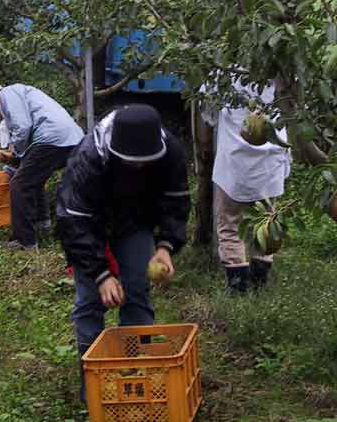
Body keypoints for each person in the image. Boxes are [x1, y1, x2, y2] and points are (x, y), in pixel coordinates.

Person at [56, 104, 190, 397]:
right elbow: (73, 222)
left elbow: (175, 200)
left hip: (135, 222)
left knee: (137, 291)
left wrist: (166, 246)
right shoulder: (89, 159)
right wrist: (102, 274)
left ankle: (133, 376)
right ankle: (93, 385)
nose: (139, 167)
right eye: (133, 163)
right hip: (90, 224)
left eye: (145, 163)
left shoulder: (170, 153)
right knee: (91, 301)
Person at [201, 78, 291, 293]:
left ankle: (238, 287)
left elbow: (208, 112)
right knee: (266, 223)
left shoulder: (223, 73)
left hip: (234, 165)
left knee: (230, 226)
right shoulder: (283, 73)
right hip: (271, 164)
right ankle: (260, 283)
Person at [0, 80, 84, 249]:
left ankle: (25, 241)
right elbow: (26, 135)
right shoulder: (19, 94)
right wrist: (16, 159)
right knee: (32, 178)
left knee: (19, 184)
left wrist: (14, 153)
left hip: (52, 138)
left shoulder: (7, 95)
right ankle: (42, 224)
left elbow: (23, 127)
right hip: (71, 139)